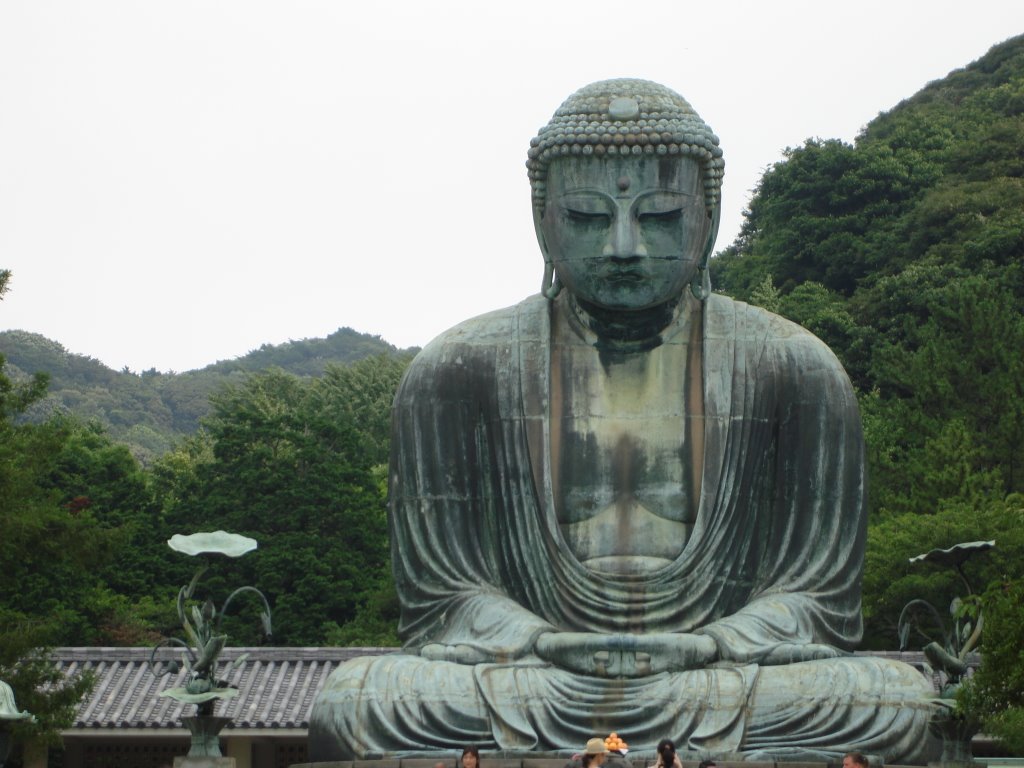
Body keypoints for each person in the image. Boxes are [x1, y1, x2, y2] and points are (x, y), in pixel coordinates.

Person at [309, 78, 935, 762]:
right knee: (360, 700)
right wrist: (540, 640)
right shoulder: (458, 370)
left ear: (709, 218)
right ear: (542, 217)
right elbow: (444, 599)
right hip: (536, 677)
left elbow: (814, 599)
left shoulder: (793, 368)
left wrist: (714, 642)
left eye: (662, 215)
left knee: (892, 699)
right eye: (587, 216)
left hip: (718, 676)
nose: (625, 246)